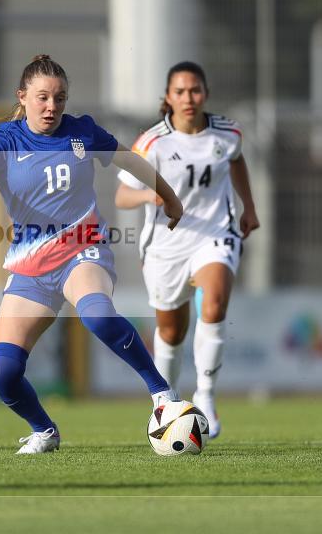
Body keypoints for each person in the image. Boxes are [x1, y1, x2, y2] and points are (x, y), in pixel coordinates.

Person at [0, 54, 185, 454]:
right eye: (42, 98)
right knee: (3, 371)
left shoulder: (81, 132)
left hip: (82, 248)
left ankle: (161, 394)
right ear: (22, 97)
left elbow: (129, 160)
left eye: (59, 98)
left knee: (97, 316)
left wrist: (170, 198)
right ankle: (44, 431)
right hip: (32, 264)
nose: (51, 106)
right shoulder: (5, 139)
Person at [114, 61, 260, 438]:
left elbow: (236, 159)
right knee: (171, 330)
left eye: (194, 90)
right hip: (166, 245)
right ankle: (168, 402)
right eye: (179, 91)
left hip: (215, 232)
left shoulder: (227, 133)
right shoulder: (151, 142)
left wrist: (249, 207)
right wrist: (152, 194)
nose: (188, 98)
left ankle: (206, 397)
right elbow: (122, 195)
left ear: (206, 93)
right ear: (168, 97)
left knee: (214, 303)